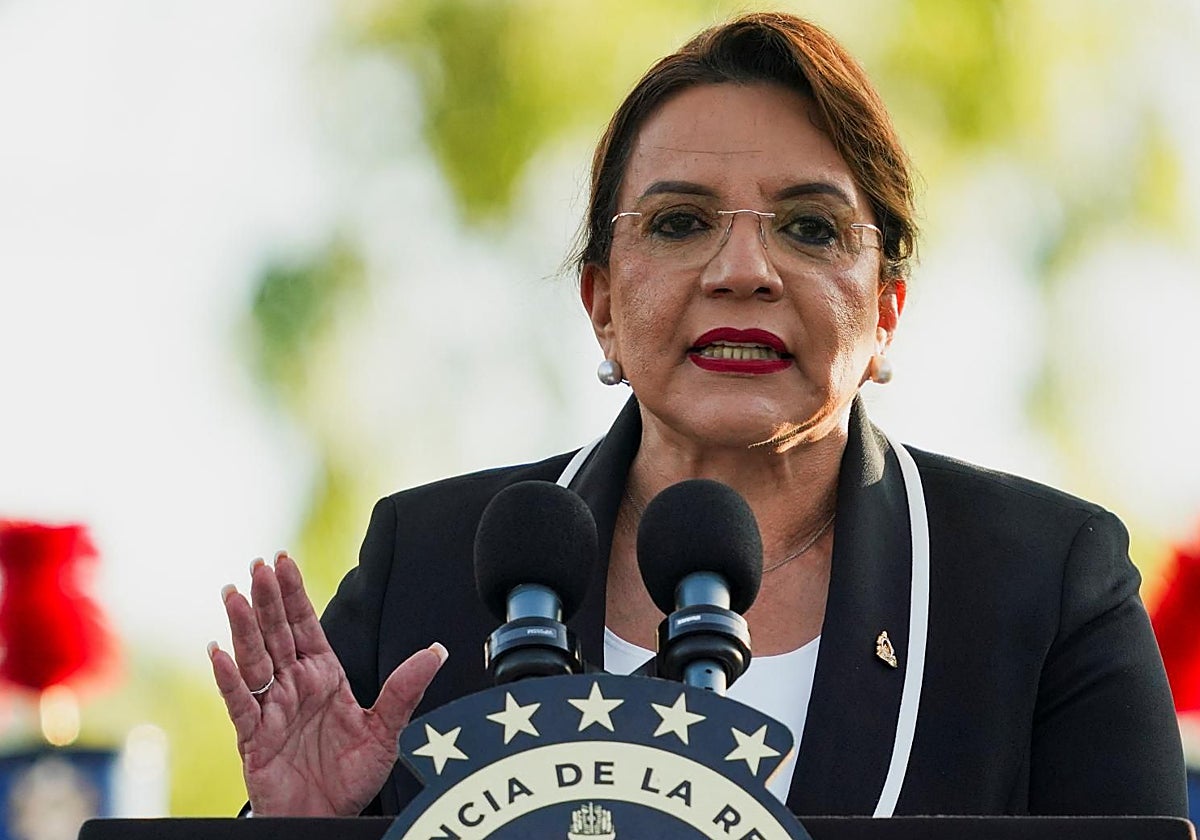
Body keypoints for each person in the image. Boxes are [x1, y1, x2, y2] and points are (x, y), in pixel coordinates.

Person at [208, 11, 1187, 819]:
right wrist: (296, 835)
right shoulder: (424, 567)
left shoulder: (1046, 585)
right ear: (599, 303)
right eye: (680, 223)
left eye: (809, 227)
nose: (742, 272)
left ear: (888, 309)